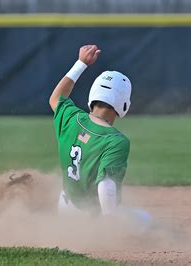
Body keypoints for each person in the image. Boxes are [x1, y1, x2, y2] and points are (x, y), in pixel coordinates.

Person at [49, 44, 151, 227]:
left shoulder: (72, 118)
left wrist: (81, 63)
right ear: (123, 104)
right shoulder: (116, 140)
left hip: (66, 210)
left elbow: (56, 98)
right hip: (92, 220)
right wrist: (109, 224)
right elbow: (106, 185)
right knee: (145, 220)